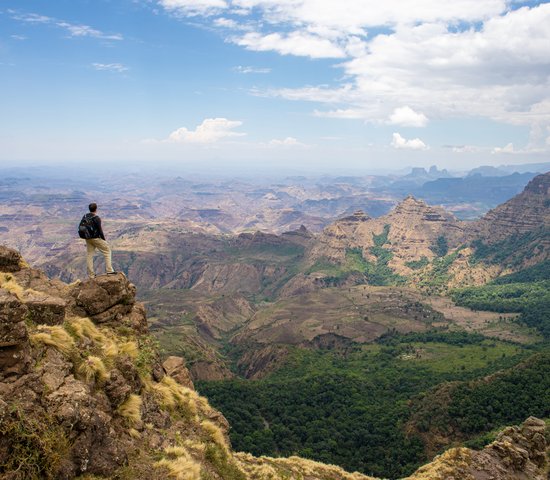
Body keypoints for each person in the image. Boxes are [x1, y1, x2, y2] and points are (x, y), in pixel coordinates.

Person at [82, 203, 116, 278]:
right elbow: (100, 230)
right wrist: (104, 240)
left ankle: (91, 275)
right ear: (96, 209)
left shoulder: (85, 216)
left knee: (89, 255)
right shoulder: (96, 218)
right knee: (107, 251)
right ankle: (109, 271)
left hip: (87, 238)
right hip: (96, 238)